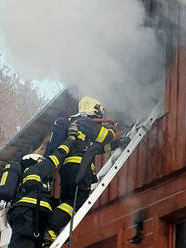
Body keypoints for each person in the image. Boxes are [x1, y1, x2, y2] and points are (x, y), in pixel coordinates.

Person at [42, 96, 124, 247]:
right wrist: (116, 131)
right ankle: (51, 228)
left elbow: (95, 149)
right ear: (93, 108)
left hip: (68, 171)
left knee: (67, 201)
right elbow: (105, 136)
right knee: (77, 202)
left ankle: (52, 232)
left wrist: (116, 145)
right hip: (80, 169)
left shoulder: (75, 125)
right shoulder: (86, 122)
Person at [0, 121, 80, 248]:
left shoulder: (23, 177)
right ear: (35, 161)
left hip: (25, 214)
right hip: (32, 213)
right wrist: (70, 139)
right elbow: (56, 156)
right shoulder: (35, 169)